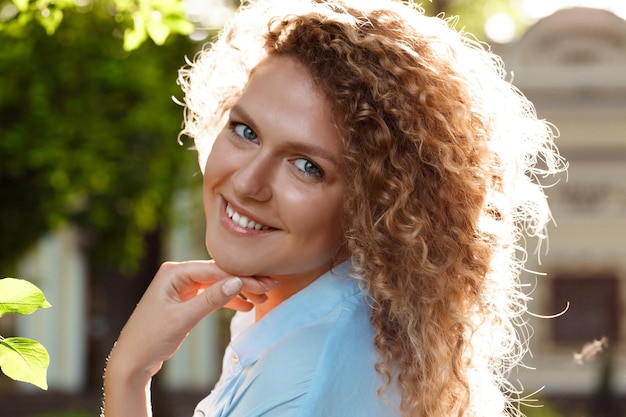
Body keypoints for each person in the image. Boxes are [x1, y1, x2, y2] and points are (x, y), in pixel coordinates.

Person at [102, 0, 567, 416]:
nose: (246, 182)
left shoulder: (304, 380)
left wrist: (127, 373)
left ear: (377, 204)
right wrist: (131, 372)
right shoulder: (317, 325)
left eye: (306, 166)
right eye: (245, 132)